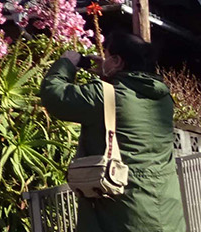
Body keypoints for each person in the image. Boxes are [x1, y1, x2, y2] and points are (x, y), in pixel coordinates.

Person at [40, 31, 185, 232]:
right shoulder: (163, 97)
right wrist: (108, 75)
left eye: (107, 55)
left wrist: (66, 63)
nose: (103, 59)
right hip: (167, 212)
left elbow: (54, 96)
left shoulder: (104, 95)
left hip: (123, 215)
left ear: (117, 61)